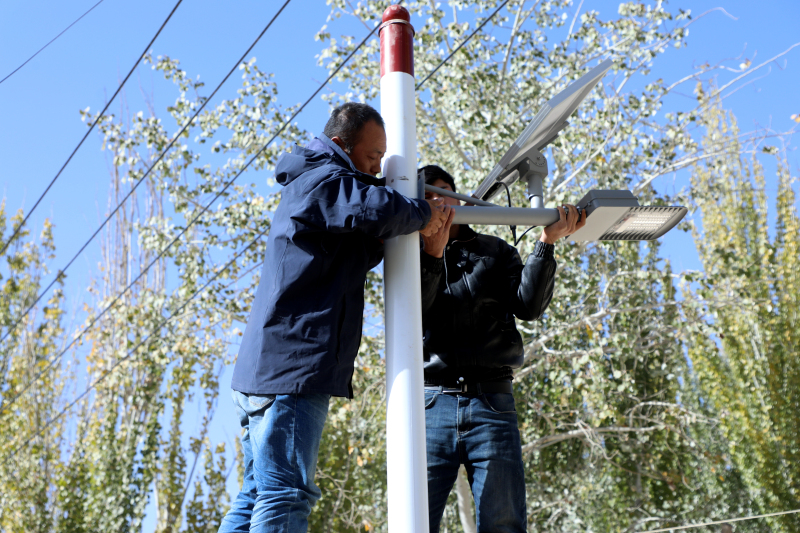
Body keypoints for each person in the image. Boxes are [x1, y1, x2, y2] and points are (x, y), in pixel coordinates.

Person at [218, 103, 449, 533]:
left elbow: (360, 241)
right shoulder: (323, 179)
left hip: (268, 369)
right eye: (373, 156)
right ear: (342, 144)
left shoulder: (317, 185)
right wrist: (420, 213)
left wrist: (409, 229)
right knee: (285, 496)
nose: (379, 165)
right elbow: (369, 206)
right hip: (292, 369)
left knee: (256, 496)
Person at [418, 165, 585, 532]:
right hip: (431, 405)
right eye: (427, 195)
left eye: (443, 190)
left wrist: (546, 243)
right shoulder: (407, 257)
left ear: (459, 197)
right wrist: (431, 255)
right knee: (413, 520)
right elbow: (417, 311)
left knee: (503, 523)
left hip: (491, 403)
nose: (437, 200)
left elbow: (529, 306)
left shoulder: (494, 252)